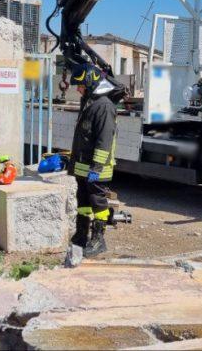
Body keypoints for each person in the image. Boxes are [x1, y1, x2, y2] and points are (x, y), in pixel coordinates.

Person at [68, 63, 119, 257]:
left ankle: (99, 240)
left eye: (80, 85)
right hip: (83, 166)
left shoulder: (104, 106)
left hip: (96, 167)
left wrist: (96, 167)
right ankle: (81, 235)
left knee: (98, 201)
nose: (78, 90)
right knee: (83, 200)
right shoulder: (90, 102)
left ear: (90, 83)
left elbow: (104, 140)